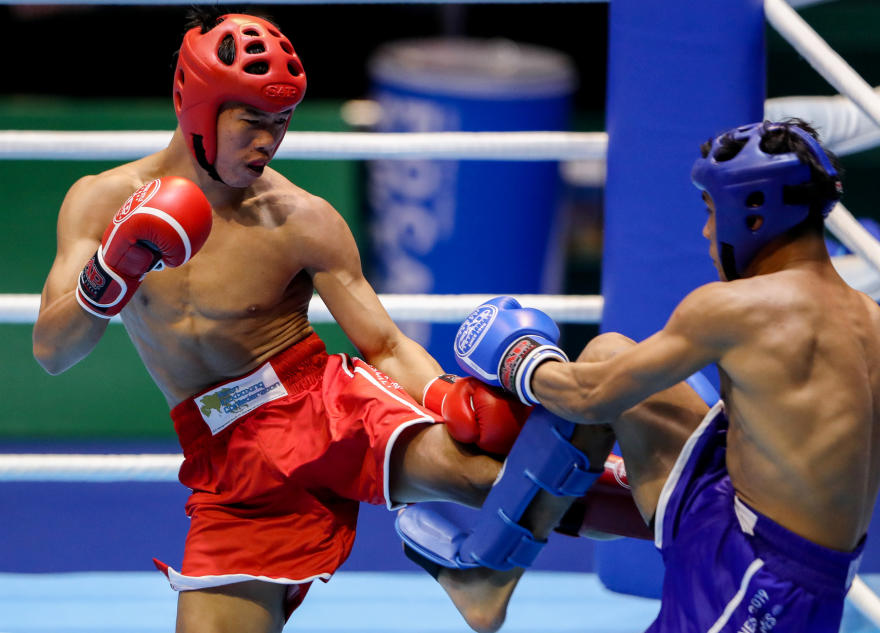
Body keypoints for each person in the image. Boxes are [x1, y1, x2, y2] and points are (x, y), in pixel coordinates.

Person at [31, 9, 535, 632]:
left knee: (489, 475)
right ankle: (471, 570)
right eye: (252, 122)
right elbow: (52, 352)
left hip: (318, 403)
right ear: (197, 108)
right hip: (225, 450)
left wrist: (440, 395)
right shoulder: (99, 202)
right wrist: (111, 272)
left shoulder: (300, 217)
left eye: (282, 122)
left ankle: (652, 489)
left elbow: (383, 343)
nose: (268, 142)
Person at [406, 119, 880, 633]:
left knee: (590, 389)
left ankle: (493, 565)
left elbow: (586, 398)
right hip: (754, 521)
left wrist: (518, 359)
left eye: (712, 212)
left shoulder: (740, 308)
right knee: (609, 354)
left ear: (753, 215)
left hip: (759, 584)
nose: (708, 231)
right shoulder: (868, 319)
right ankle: (490, 578)